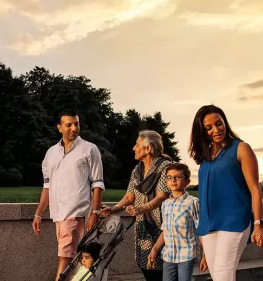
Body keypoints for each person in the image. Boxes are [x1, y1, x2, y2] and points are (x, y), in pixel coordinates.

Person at [188, 104, 263, 281]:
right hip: (209, 224)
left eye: (219, 123)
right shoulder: (205, 157)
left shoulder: (241, 148)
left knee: (223, 275)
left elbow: (255, 189)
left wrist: (259, 223)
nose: (216, 130)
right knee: (217, 276)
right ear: (202, 132)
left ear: (225, 122)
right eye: (208, 128)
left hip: (234, 220)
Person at [32, 109, 105, 281]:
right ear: (59, 127)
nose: (74, 128)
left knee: (65, 257)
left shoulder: (89, 149)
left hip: (76, 212)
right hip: (58, 214)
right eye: (69, 124)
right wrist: (38, 213)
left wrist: (95, 213)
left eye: (76, 124)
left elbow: (98, 184)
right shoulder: (51, 153)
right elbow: (47, 186)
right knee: (75, 259)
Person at [101, 130, 171, 281]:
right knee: (145, 265)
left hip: (162, 227)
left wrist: (140, 209)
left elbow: (161, 197)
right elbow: (129, 196)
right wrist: (114, 209)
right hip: (143, 227)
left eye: (137, 145)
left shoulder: (165, 168)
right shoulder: (137, 170)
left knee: (160, 269)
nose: (133, 148)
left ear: (148, 148)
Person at [147, 162, 207, 281]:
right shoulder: (165, 204)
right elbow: (166, 231)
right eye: (169, 177)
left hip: (187, 254)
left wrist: (205, 255)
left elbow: (201, 231)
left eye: (178, 177)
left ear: (187, 182)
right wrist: (154, 249)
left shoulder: (193, 203)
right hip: (168, 255)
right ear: (166, 182)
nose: (173, 180)